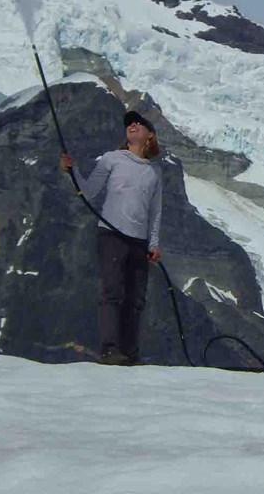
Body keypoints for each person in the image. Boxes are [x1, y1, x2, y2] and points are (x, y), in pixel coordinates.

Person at [60, 110, 162, 366]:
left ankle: (130, 352)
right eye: (129, 123)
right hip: (111, 233)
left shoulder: (154, 172)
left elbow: (155, 210)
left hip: (139, 240)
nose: (133, 125)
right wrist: (71, 171)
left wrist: (154, 243)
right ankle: (110, 349)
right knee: (113, 291)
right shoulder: (112, 159)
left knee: (136, 299)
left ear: (150, 135)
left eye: (140, 123)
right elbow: (88, 190)